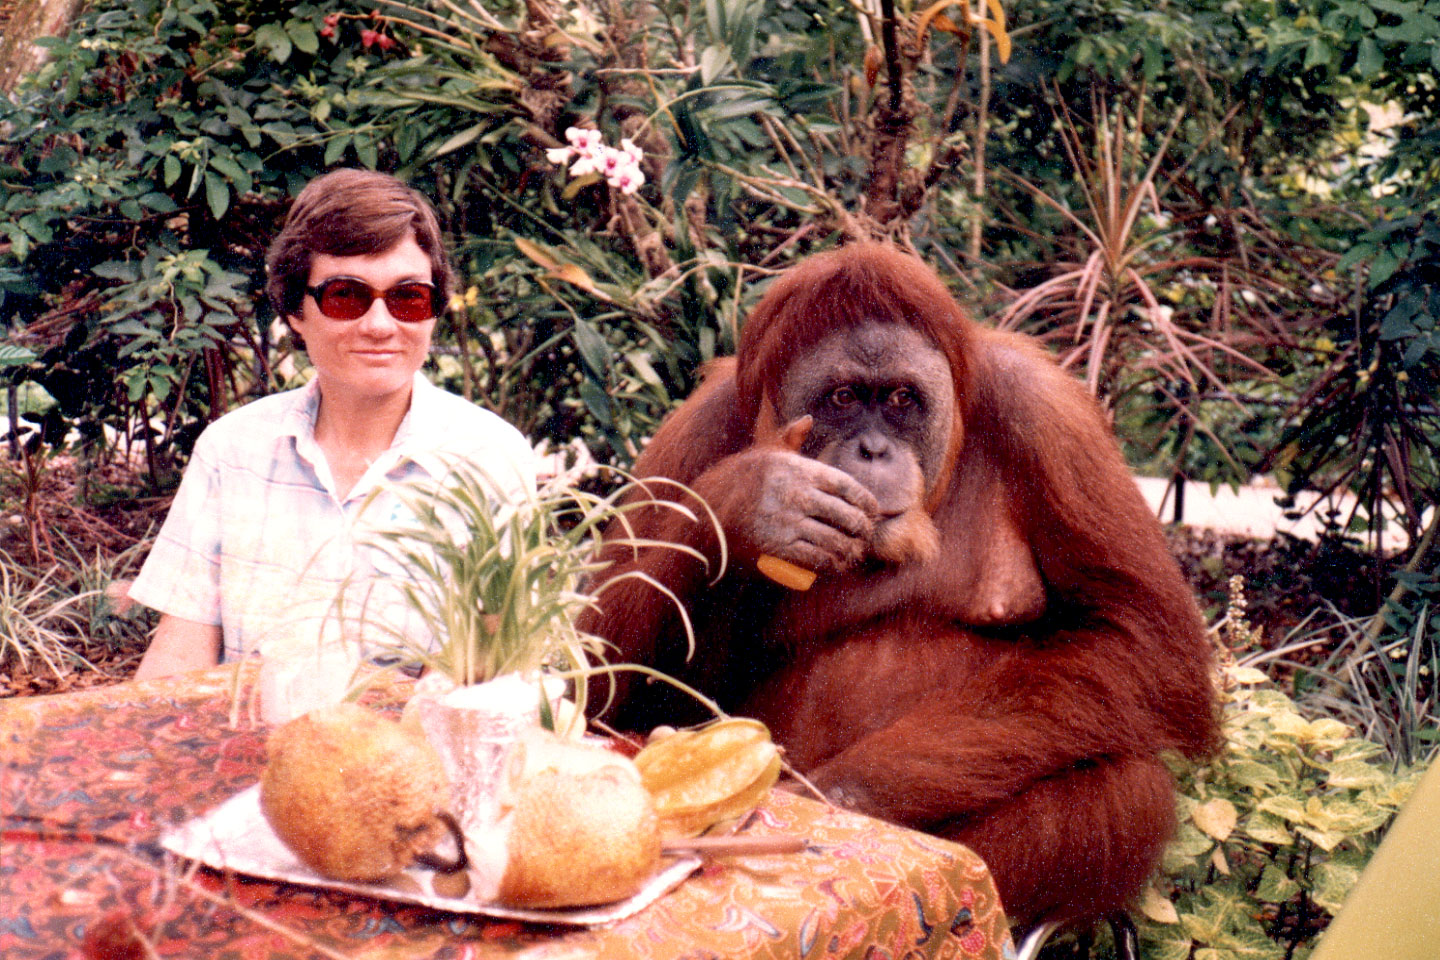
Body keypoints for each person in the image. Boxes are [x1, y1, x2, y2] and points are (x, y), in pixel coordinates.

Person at [129, 169, 535, 680]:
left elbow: (494, 676)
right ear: (296, 310)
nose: (381, 326)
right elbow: (178, 656)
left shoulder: (489, 456)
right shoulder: (232, 451)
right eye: (347, 296)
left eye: (408, 297)